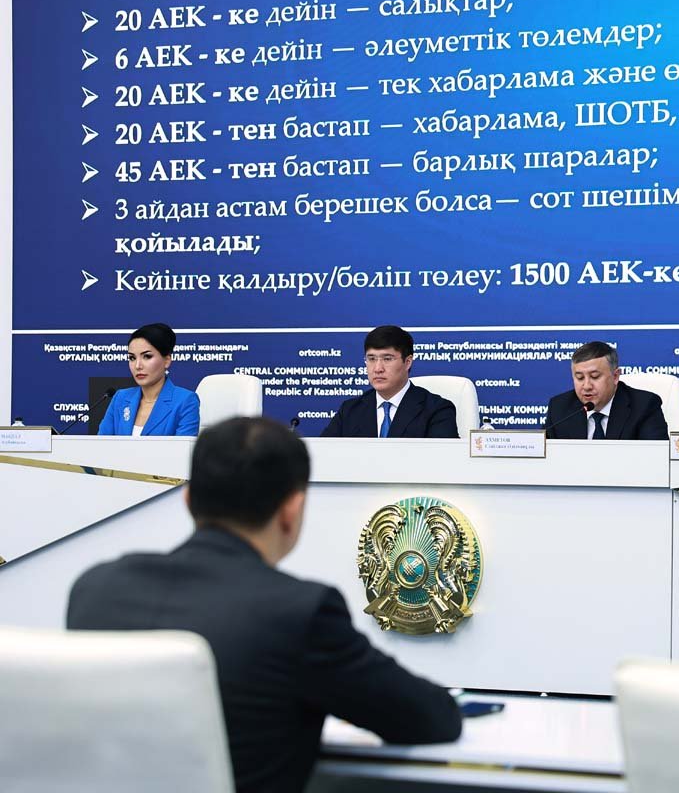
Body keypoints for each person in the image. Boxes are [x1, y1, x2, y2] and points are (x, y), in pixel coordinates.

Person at [67, 417, 462, 792]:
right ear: (292, 510)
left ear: (188, 500)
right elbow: (431, 719)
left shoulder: (95, 589)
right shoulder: (299, 611)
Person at [321, 325, 458, 438]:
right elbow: (324, 453)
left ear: (408, 362)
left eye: (387, 359)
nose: (378, 369)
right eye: (371, 359)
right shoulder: (350, 410)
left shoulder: (437, 410)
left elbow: (442, 460)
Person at [543, 341, 668, 440]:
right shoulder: (560, 409)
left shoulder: (644, 406)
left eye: (595, 376)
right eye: (580, 378)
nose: (587, 386)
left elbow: (656, 457)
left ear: (615, 376)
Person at [97, 322, 200, 436]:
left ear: (167, 360)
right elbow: (101, 444)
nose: (138, 366)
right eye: (132, 358)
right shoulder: (120, 398)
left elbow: (183, 447)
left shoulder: (185, 401)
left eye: (147, 356)